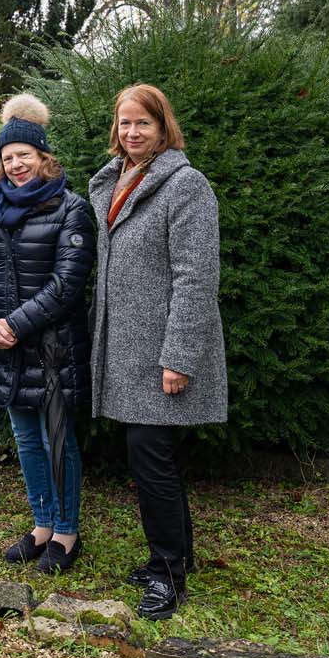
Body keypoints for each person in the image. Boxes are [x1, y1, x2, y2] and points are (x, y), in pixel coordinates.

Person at [88, 83, 227, 620]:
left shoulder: (185, 186)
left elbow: (196, 277)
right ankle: (177, 558)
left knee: (152, 461)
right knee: (151, 458)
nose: (132, 132)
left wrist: (179, 357)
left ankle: (167, 573)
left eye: (142, 123)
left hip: (160, 352)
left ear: (163, 126)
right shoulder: (120, 179)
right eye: (124, 123)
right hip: (125, 349)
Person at [0, 95, 95, 574]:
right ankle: (41, 525)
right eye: (8, 157)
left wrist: (14, 326)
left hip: (50, 348)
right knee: (25, 438)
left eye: (25, 155)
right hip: (4, 346)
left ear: (43, 157)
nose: (17, 164)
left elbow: (67, 282)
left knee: (55, 436)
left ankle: (66, 531)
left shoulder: (70, 209)